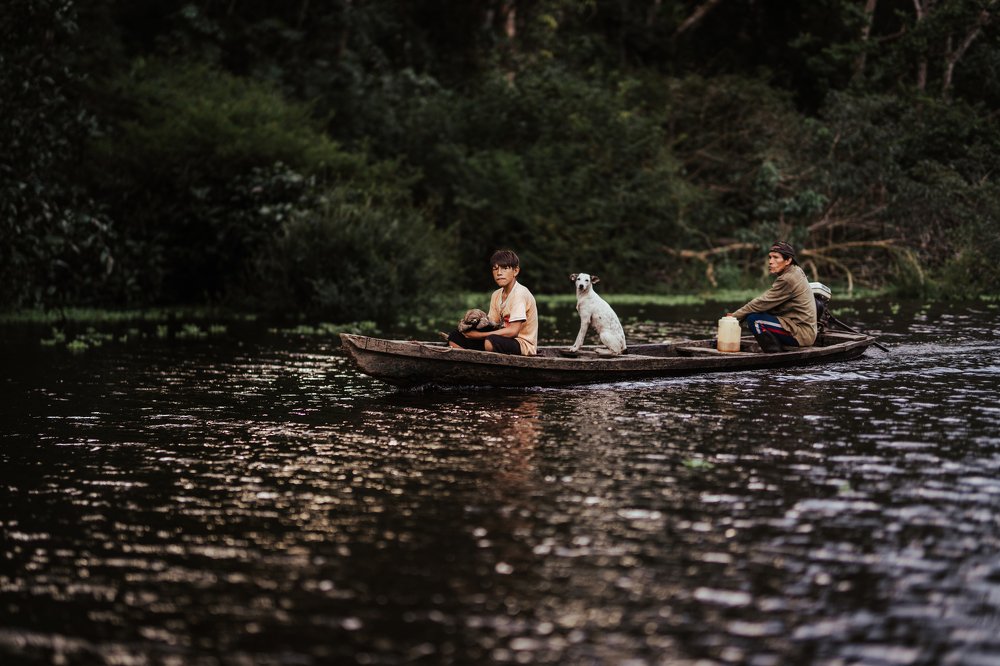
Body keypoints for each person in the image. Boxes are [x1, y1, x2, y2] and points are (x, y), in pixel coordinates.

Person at [727, 241, 817, 353]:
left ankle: (774, 355)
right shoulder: (796, 270)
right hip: (805, 330)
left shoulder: (788, 279)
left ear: (788, 260)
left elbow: (761, 303)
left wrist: (734, 317)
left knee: (755, 320)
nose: (770, 261)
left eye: (776, 258)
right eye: (770, 257)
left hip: (802, 334)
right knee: (759, 314)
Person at [447, 249, 538, 356]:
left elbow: (513, 331)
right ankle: (471, 361)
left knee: (490, 341)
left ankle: (480, 359)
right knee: (454, 336)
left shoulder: (520, 293)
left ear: (515, 271)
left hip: (522, 344)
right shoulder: (496, 294)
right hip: (500, 339)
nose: (499, 273)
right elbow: (492, 324)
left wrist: (478, 336)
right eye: (495, 269)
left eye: (504, 268)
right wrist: (473, 321)